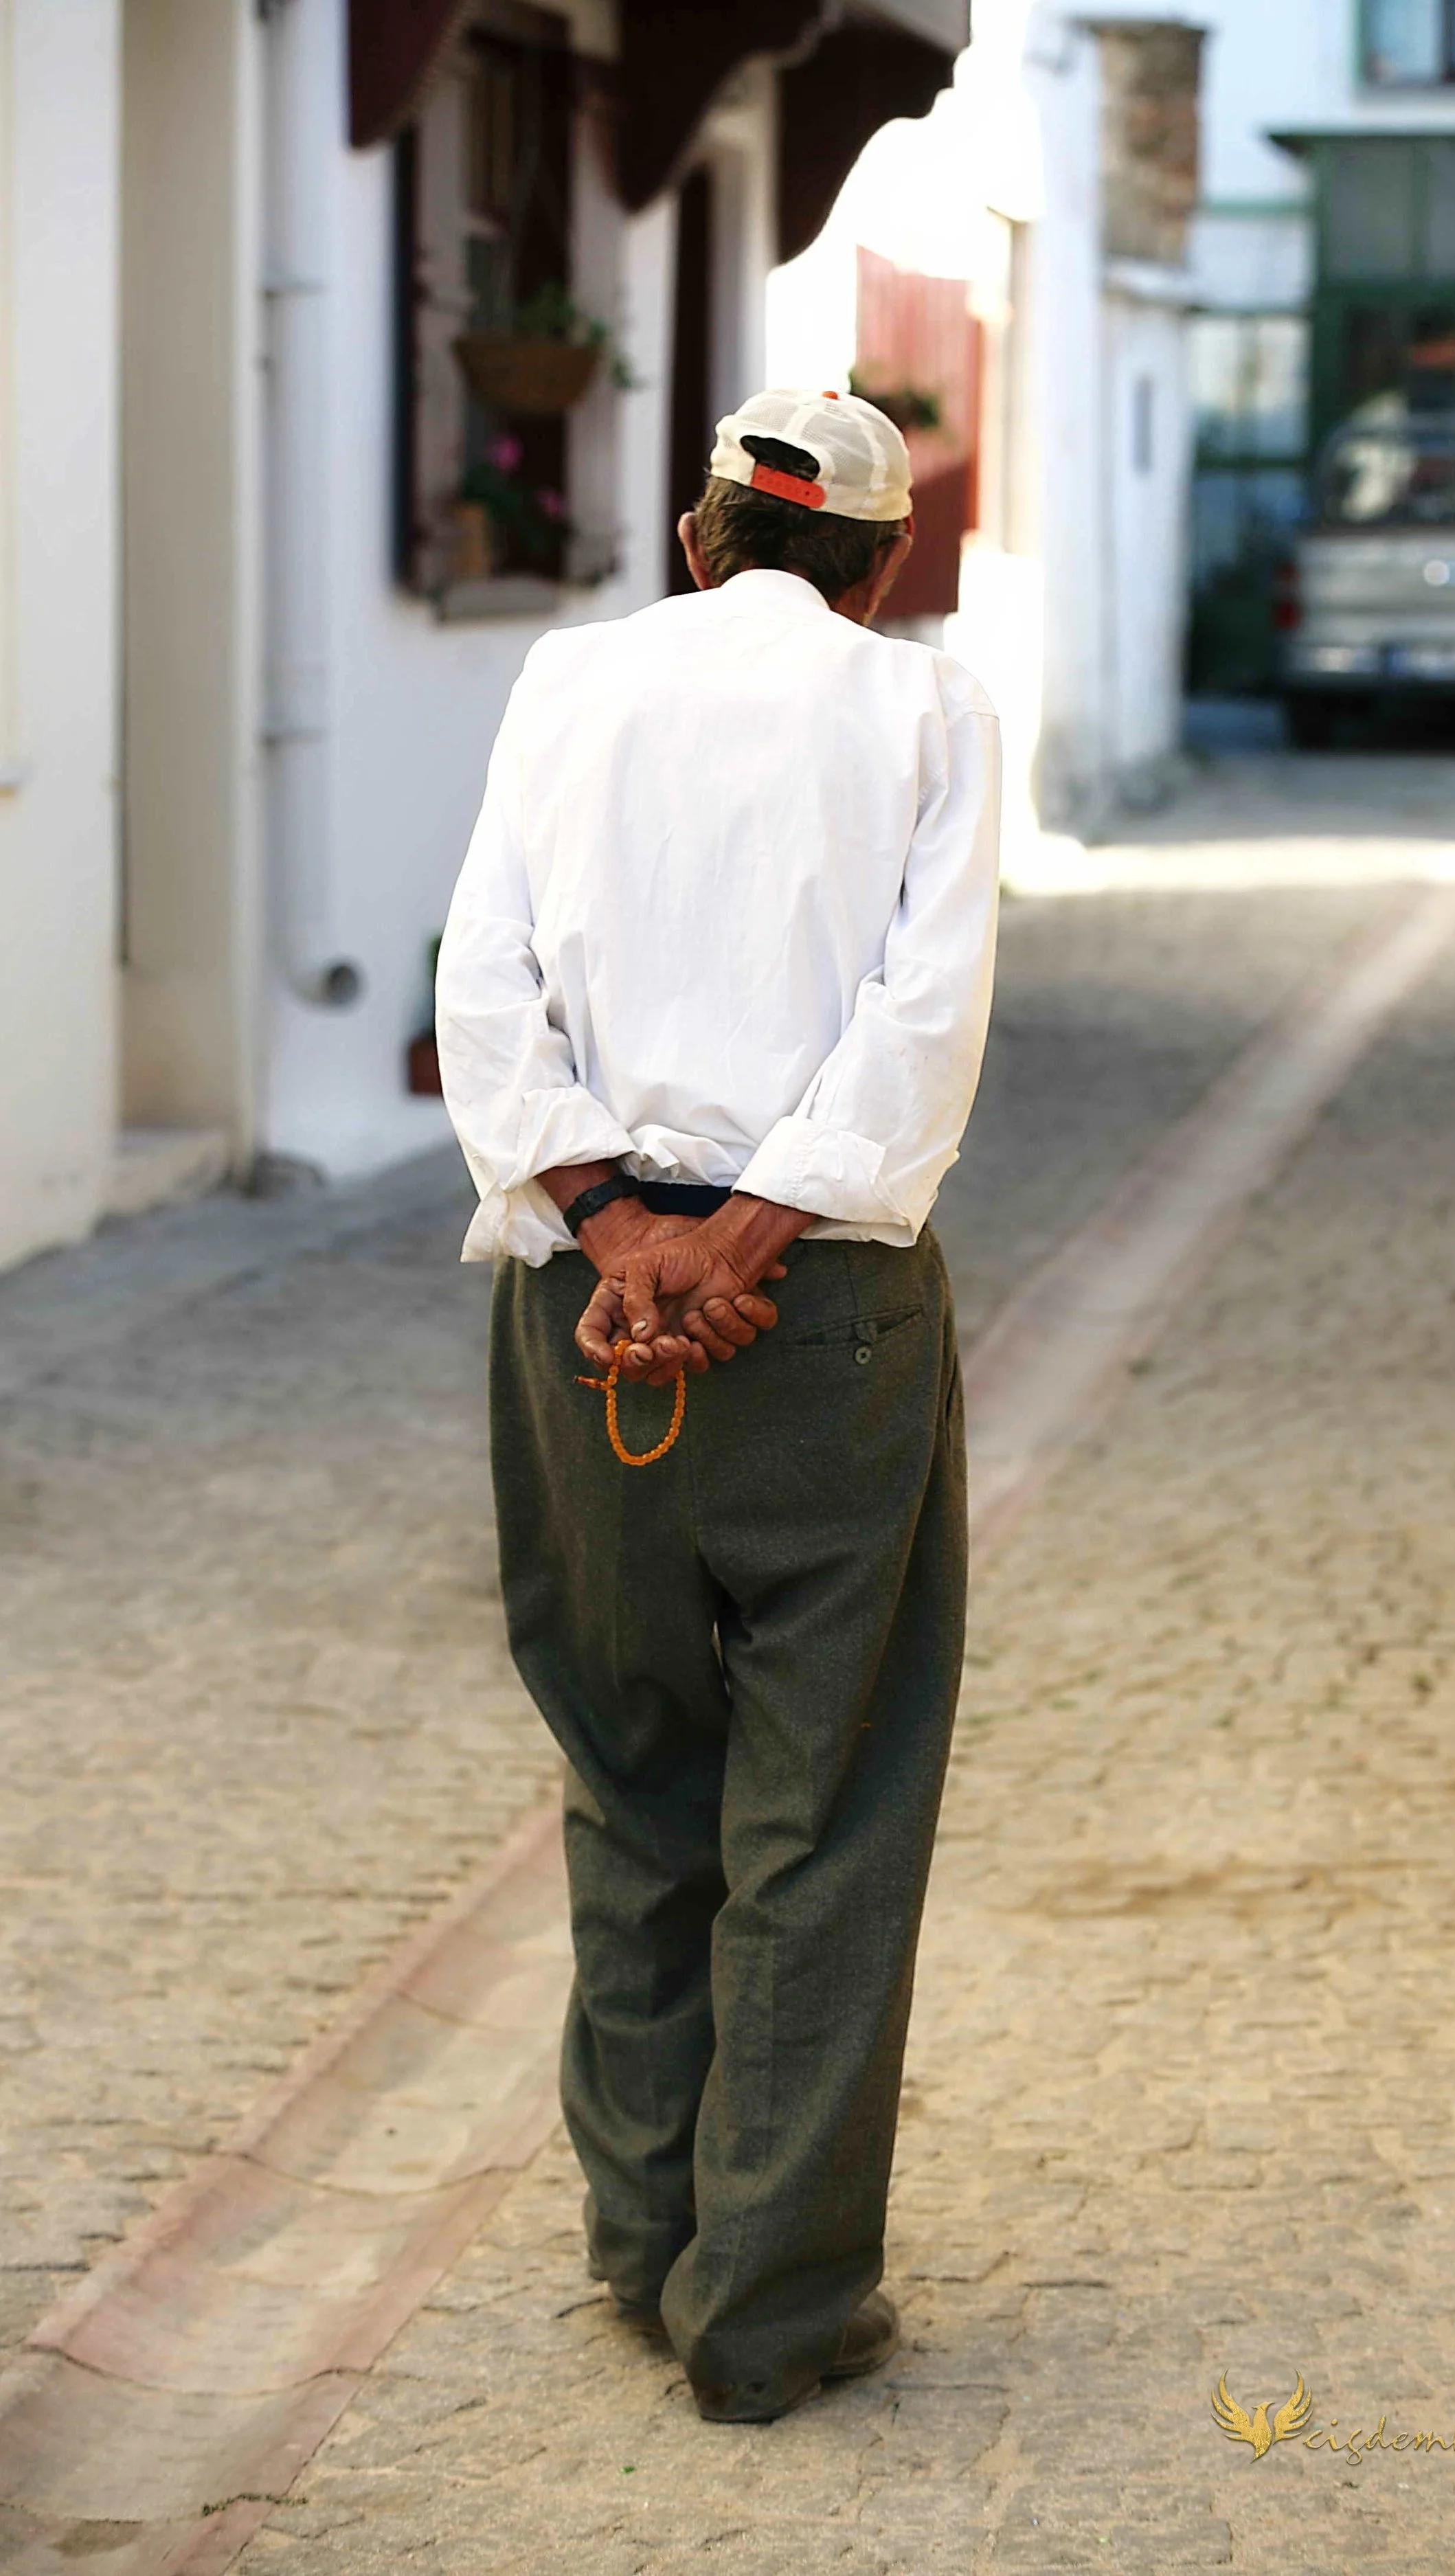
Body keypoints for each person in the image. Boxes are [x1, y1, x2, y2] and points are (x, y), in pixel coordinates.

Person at [435, 389, 1001, 2423]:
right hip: (818, 1313)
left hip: (585, 1320)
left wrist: (612, 1231)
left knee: (629, 1757)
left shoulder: (566, 684)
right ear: (882, 569)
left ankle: (636, 2234)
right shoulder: (927, 715)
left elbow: (481, 978)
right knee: (825, 1800)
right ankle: (761, 2313)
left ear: (696, 543)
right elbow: (916, 1022)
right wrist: (742, 1243)